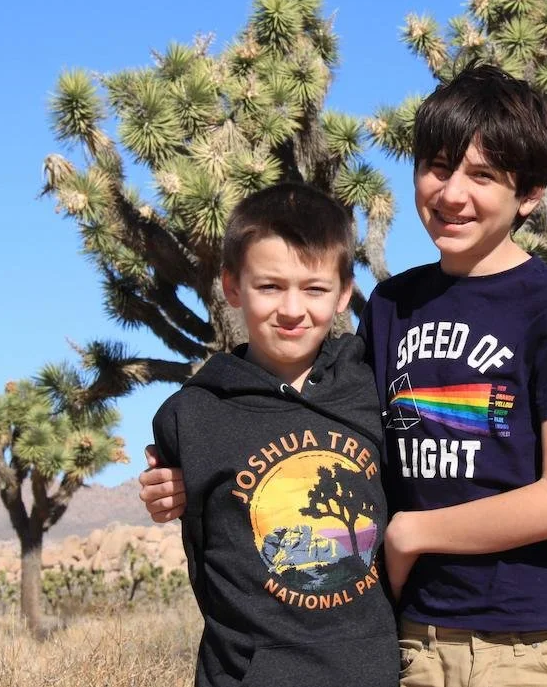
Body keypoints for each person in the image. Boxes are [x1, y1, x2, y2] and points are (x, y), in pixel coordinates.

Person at [143, 65, 547, 687]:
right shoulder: (393, 305)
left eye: (482, 176)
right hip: (416, 643)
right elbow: (313, 412)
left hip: (539, 642)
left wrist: (412, 532)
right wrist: (192, 466)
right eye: (438, 167)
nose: (452, 194)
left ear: (528, 195)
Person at [149, 182, 397, 687]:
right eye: (269, 286)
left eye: (314, 288)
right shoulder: (192, 415)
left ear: (344, 292)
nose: (291, 309)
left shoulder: (370, 387)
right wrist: (163, 493)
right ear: (233, 286)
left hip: (374, 672)